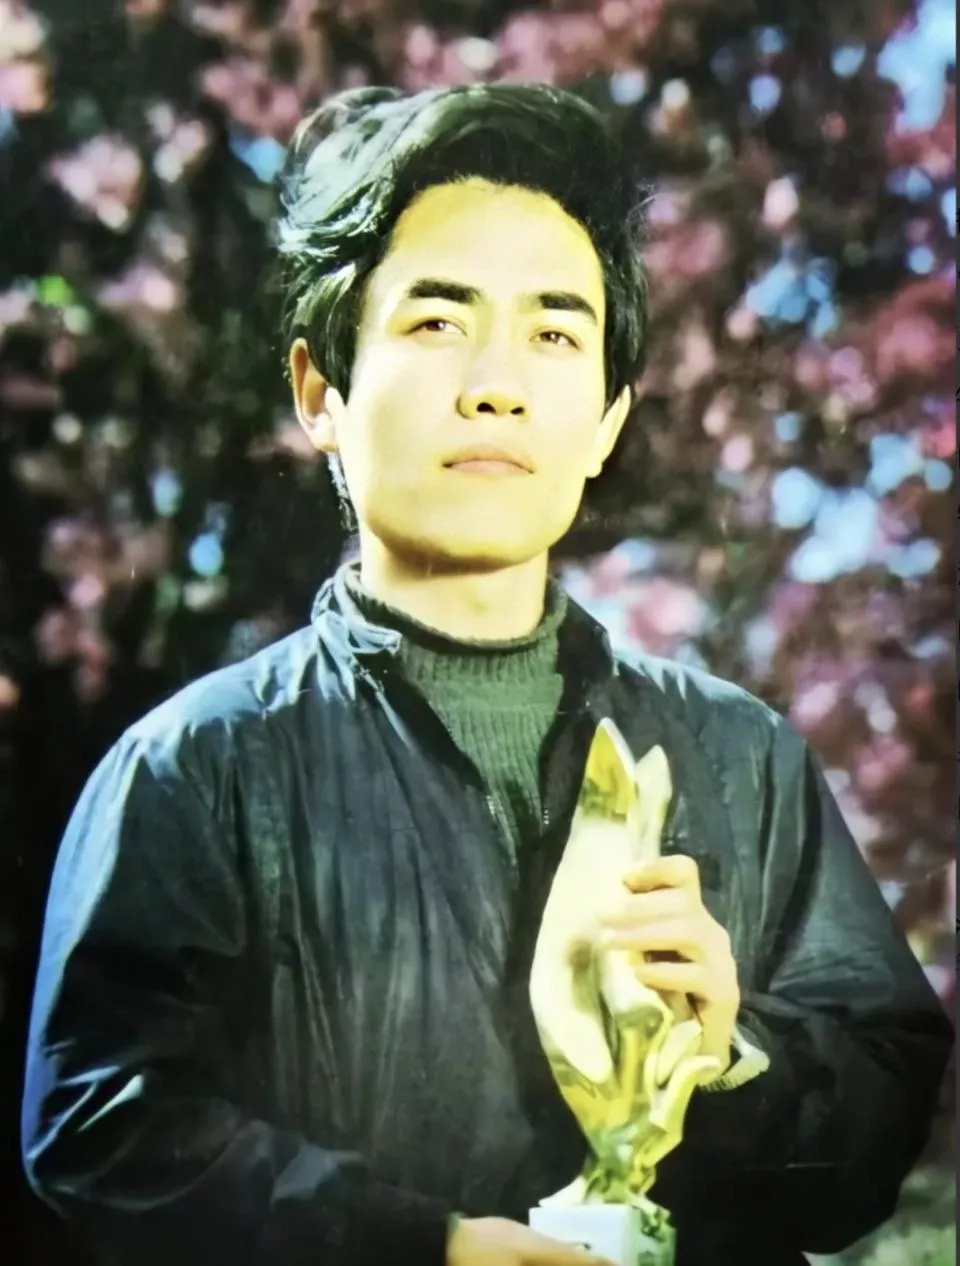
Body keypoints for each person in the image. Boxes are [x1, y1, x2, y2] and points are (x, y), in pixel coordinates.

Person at [21, 83, 953, 1266]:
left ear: (607, 421)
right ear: (320, 393)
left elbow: (877, 1122)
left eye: (555, 335)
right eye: (437, 322)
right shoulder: (195, 769)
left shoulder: (742, 756)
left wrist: (729, 1054)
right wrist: (424, 1248)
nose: (497, 385)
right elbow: (102, 1125)